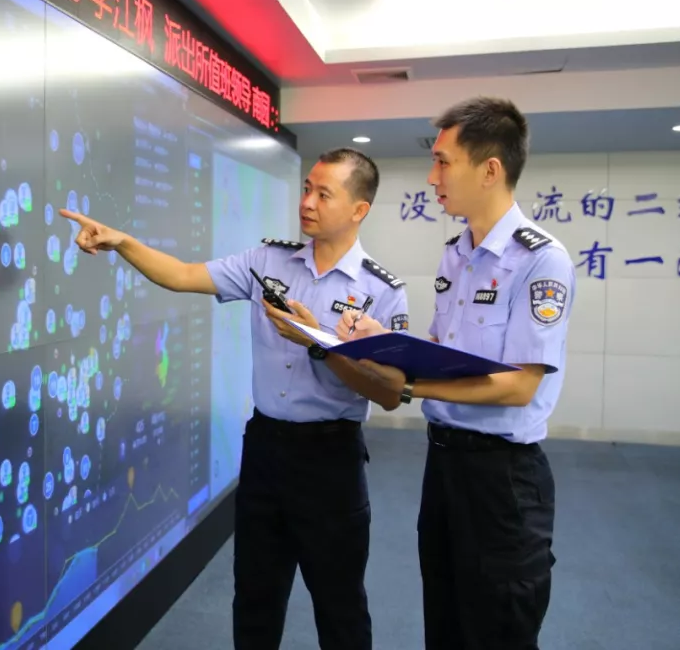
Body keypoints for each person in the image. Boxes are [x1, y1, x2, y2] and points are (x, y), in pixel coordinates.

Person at [60, 147, 409, 650]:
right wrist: (122, 243)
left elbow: (391, 393)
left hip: (331, 459)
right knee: (254, 600)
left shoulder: (382, 291)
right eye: (306, 188)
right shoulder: (267, 261)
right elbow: (182, 275)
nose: (307, 202)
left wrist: (318, 344)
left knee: (340, 608)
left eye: (323, 194)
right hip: (266, 449)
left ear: (359, 210)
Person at [333, 97, 574, 650]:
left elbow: (520, 384)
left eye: (443, 162)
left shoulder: (541, 260)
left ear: (490, 170)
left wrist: (409, 387)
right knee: (444, 623)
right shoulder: (457, 253)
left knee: (498, 629)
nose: (431, 176)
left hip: (503, 481)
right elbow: (445, 350)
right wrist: (380, 338)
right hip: (443, 467)